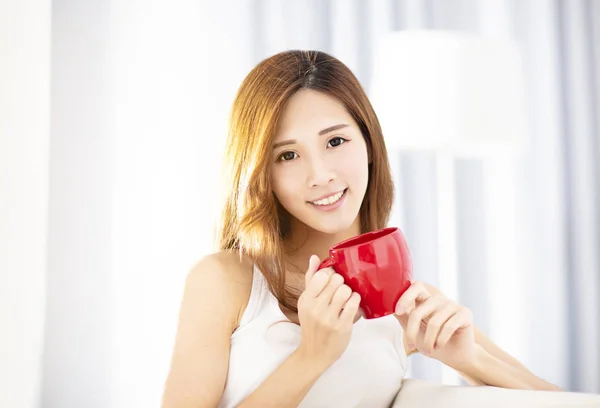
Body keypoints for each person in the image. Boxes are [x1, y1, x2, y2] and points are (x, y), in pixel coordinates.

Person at [161, 50, 561, 408]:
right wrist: (311, 357)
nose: (320, 175)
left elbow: (568, 403)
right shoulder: (227, 280)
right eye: (287, 155)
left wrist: (469, 359)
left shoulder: (403, 306)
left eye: (335, 141)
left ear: (369, 144)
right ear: (262, 174)